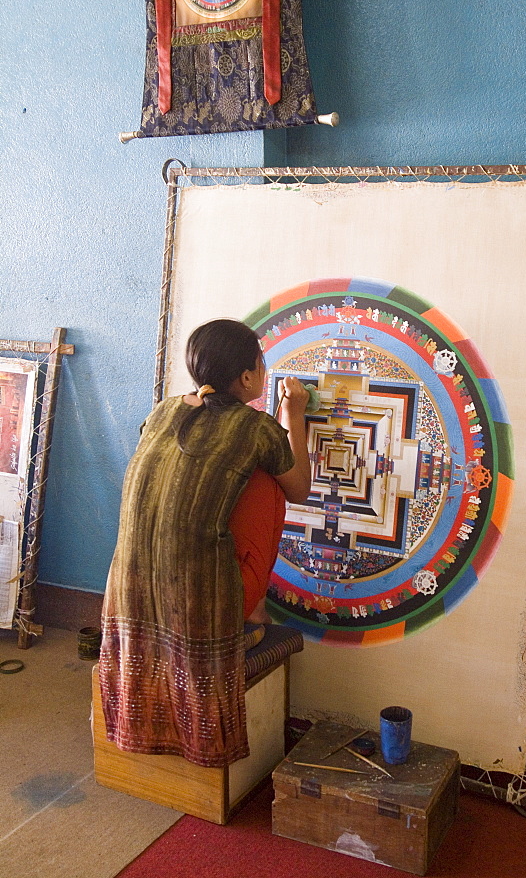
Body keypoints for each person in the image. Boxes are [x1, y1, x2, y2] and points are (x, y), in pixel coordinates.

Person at [99, 319, 311, 768]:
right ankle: (248, 613)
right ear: (249, 379)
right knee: (268, 485)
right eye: (261, 363)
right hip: (199, 606)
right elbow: (299, 489)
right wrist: (295, 414)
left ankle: (247, 613)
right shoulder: (255, 427)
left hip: (127, 597)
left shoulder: (163, 410)